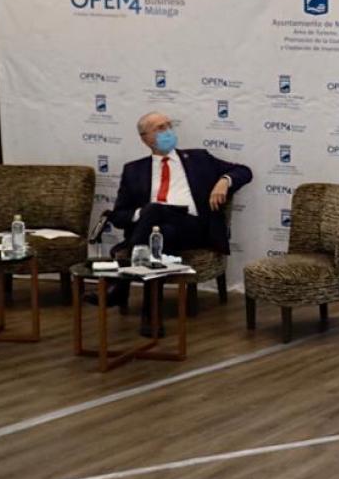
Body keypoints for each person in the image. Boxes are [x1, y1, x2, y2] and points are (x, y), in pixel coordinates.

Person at [102, 111, 252, 333]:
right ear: (145, 138)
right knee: (163, 233)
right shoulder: (133, 170)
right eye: (160, 128)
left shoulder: (199, 158)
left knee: (155, 213)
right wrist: (141, 215)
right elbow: (120, 215)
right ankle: (150, 316)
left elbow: (244, 171)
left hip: (194, 227)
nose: (168, 131)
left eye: (169, 125)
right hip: (159, 231)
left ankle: (122, 284)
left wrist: (224, 180)